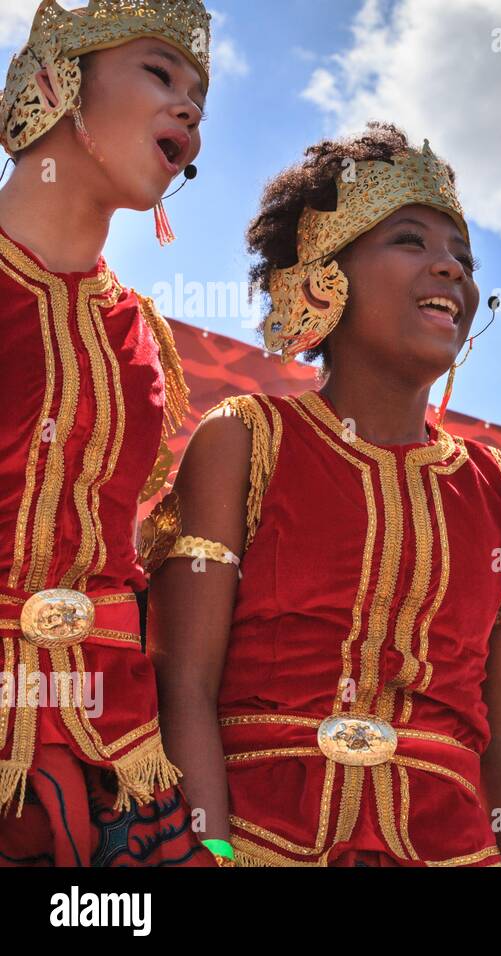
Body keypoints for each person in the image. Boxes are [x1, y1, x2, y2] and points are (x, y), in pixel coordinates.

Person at [146, 123, 501, 866]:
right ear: (324, 273)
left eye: (463, 259)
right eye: (410, 242)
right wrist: (210, 855)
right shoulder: (243, 440)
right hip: (260, 846)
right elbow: (183, 686)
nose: (451, 273)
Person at [0, 0, 213, 867]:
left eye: (201, 96)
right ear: (57, 83)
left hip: (119, 775)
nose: (191, 108)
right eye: (161, 73)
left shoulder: (139, 335)